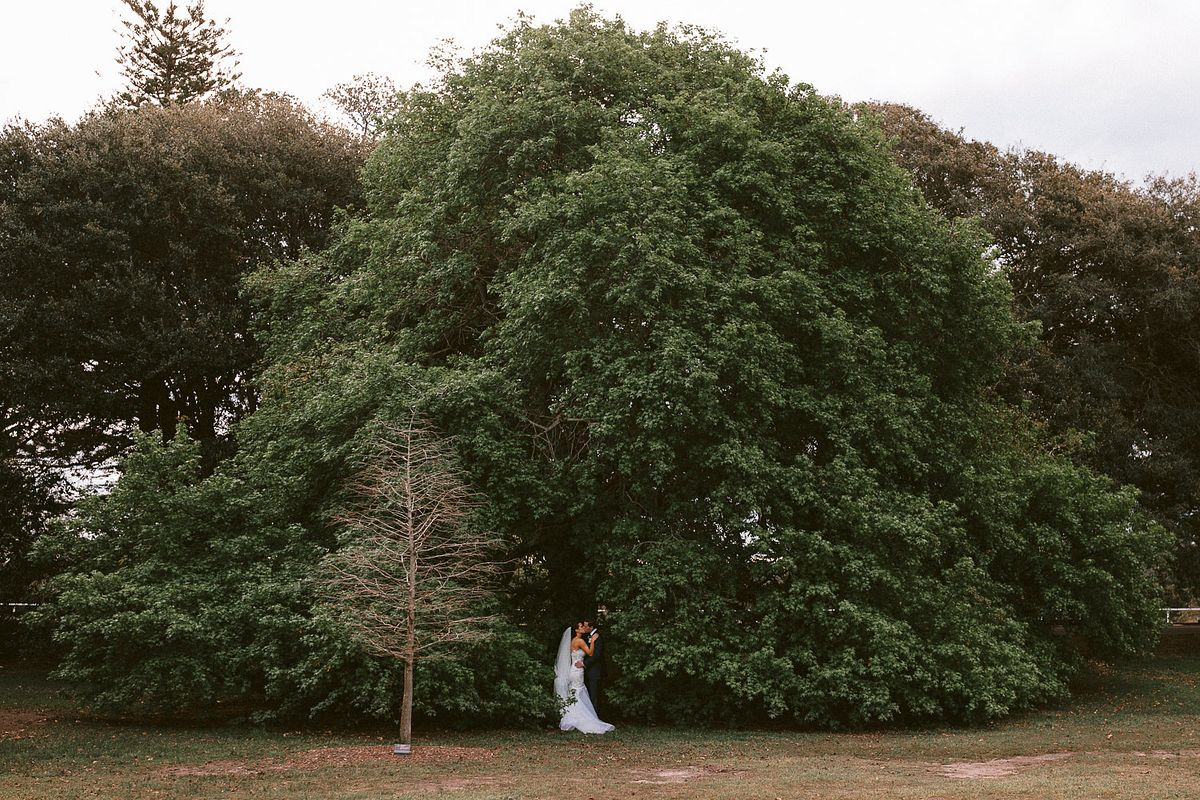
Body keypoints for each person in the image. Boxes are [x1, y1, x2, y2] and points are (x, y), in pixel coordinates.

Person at [554, 622, 614, 734]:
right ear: (576, 630)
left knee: (576, 692)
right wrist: (594, 641)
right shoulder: (579, 641)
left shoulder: (574, 641)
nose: (583, 628)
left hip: (574, 669)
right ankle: (582, 718)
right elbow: (591, 653)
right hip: (577, 671)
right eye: (581, 627)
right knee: (578, 691)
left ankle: (575, 715)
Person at [580, 620, 605, 717]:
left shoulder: (598, 637)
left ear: (591, 627)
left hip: (595, 671)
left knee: (594, 695)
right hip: (588, 670)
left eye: (585, 626)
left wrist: (584, 663)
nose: (584, 627)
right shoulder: (588, 637)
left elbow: (597, 655)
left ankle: (595, 717)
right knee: (590, 694)